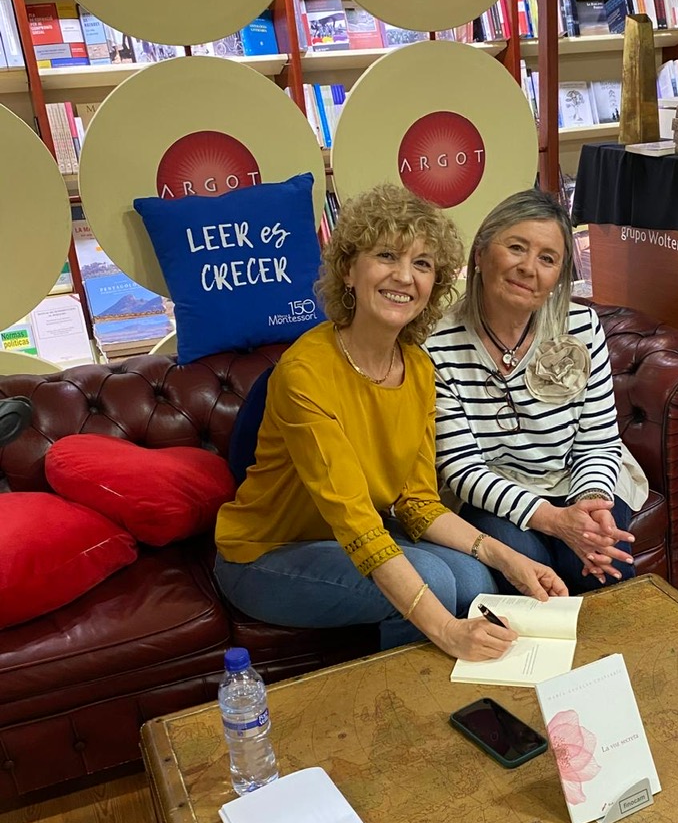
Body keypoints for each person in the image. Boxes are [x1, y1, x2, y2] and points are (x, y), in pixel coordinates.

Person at [214, 183, 567, 660]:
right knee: (437, 580)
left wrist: (510, 559)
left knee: (475, 577)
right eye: (386, 256)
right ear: (348, 269)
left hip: (346, 538)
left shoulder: (418, 367)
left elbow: (417, 503)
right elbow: (357, 523)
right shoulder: (305, 372)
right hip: (265, 553)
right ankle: (403, 697)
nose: (404, 276)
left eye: (422, 264)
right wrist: (447, 631)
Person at [425, 188, 648, 594]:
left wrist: (592, 504)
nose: (529, 268)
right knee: (531, 572)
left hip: (580, 477)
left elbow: (598, 441)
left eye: (547, 259)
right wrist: (554, 520)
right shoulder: (437, 344)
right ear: (480, 254)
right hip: (492, 491)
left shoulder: (581, 326)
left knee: (604, 565)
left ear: (559, 276)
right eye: (516, 247)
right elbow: (462, 468)